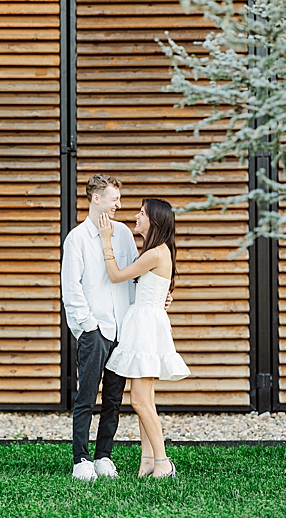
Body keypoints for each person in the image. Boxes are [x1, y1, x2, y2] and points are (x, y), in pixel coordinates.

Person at [99, 198, 189, 479]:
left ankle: (163, 462)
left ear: (155, 222)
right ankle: (148, 461)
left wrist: (105, 241)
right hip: (146, 322)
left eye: (142, 213)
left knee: (139, 400)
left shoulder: (154, 253)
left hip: (145, 327)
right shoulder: (156, 252)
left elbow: (115, 276)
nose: (136, 216)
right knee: (145, 399)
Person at [61, 174, 139, 481]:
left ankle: (104, 456)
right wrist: (88, 327)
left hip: (123, 329)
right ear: (97, 199)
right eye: (114, 198)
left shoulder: (123, 234)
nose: (119, 204)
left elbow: (133, 276)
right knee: (86, 396)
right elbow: (71, 289)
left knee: (114, 399)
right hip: (95, 331)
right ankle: (81, 459)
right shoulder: (76, 239)